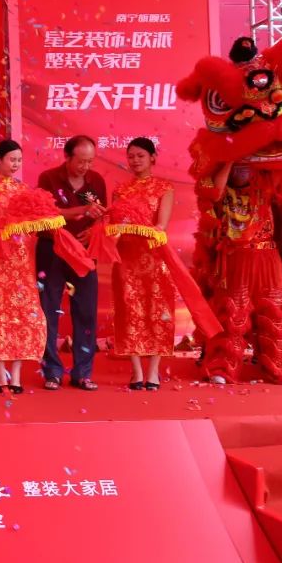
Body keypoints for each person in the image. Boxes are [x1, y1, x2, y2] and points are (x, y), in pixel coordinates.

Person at [199, 161, 282, 386]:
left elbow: (281, 167)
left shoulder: (266, 189)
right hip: (236, 260)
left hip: (267, 259)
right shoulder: (221, 191)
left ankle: (280, 369)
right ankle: (224, 368)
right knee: (233, 314)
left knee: (274, 313)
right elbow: (214, 193)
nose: (242, 169)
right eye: (237, 166)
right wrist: (229, 159)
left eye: (247, 165)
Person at [37, 135, 107, 391]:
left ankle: (82, 373)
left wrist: (94, 230)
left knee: (86, 311)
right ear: (67, 157)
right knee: (48, 310)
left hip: (84, 252)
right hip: (52, 250)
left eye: (90, 161)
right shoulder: (48, 179)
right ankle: (52, 372)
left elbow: (102, 216)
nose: (86, 167)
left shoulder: (96, 181)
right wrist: (81, 211)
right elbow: (45, 214)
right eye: (81, 161)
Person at [0, 140, 46, 393]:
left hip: (23, 261)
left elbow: (33, 221)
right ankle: (0, 374)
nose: (15, 164)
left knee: (22, 315)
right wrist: (5, 225)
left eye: (19, 160)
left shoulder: (24, 189)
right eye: (11, 159)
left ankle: (16, 375)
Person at [109, 138, 175, 390]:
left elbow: (161, 227)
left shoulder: (164, 188)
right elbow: (113, 226)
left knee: (156, 311)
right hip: (126, 258)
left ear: (152, 158)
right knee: (130, 311)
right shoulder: (120, 190)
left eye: (140, 156)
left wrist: (140, 228)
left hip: (154, 258)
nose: (135, 160)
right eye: (131, 156)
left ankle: (154, 371)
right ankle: (136, 371)